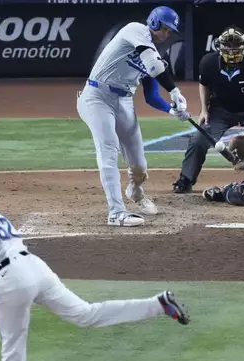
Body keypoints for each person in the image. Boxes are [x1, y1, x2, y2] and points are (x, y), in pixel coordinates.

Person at [0, 174, 190, 361]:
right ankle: (158, 305)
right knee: (85, 314)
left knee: (12, 344)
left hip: (12, 279)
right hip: (35, 267)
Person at [77, 6, 190, 227]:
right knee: (108, 151)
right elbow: (154, 65)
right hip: (97, 96)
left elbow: (151, 96)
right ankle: (116, 212)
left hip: (124, 102)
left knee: (139, 165)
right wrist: (175, 91)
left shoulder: (153, 52)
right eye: (166, 29)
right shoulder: (136, 30)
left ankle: (136, 192)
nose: (168, 35)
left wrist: (171, 109)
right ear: (155, 23)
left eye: (171, 31)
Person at [172, 25, 244, 193]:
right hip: (221, 109)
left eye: (236, 45)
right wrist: (204, 110)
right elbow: (204, 85)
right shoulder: (209, 62)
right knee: (198, 140)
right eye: (227, 45)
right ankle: (186, 179)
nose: (231, 49)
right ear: (219, 45)